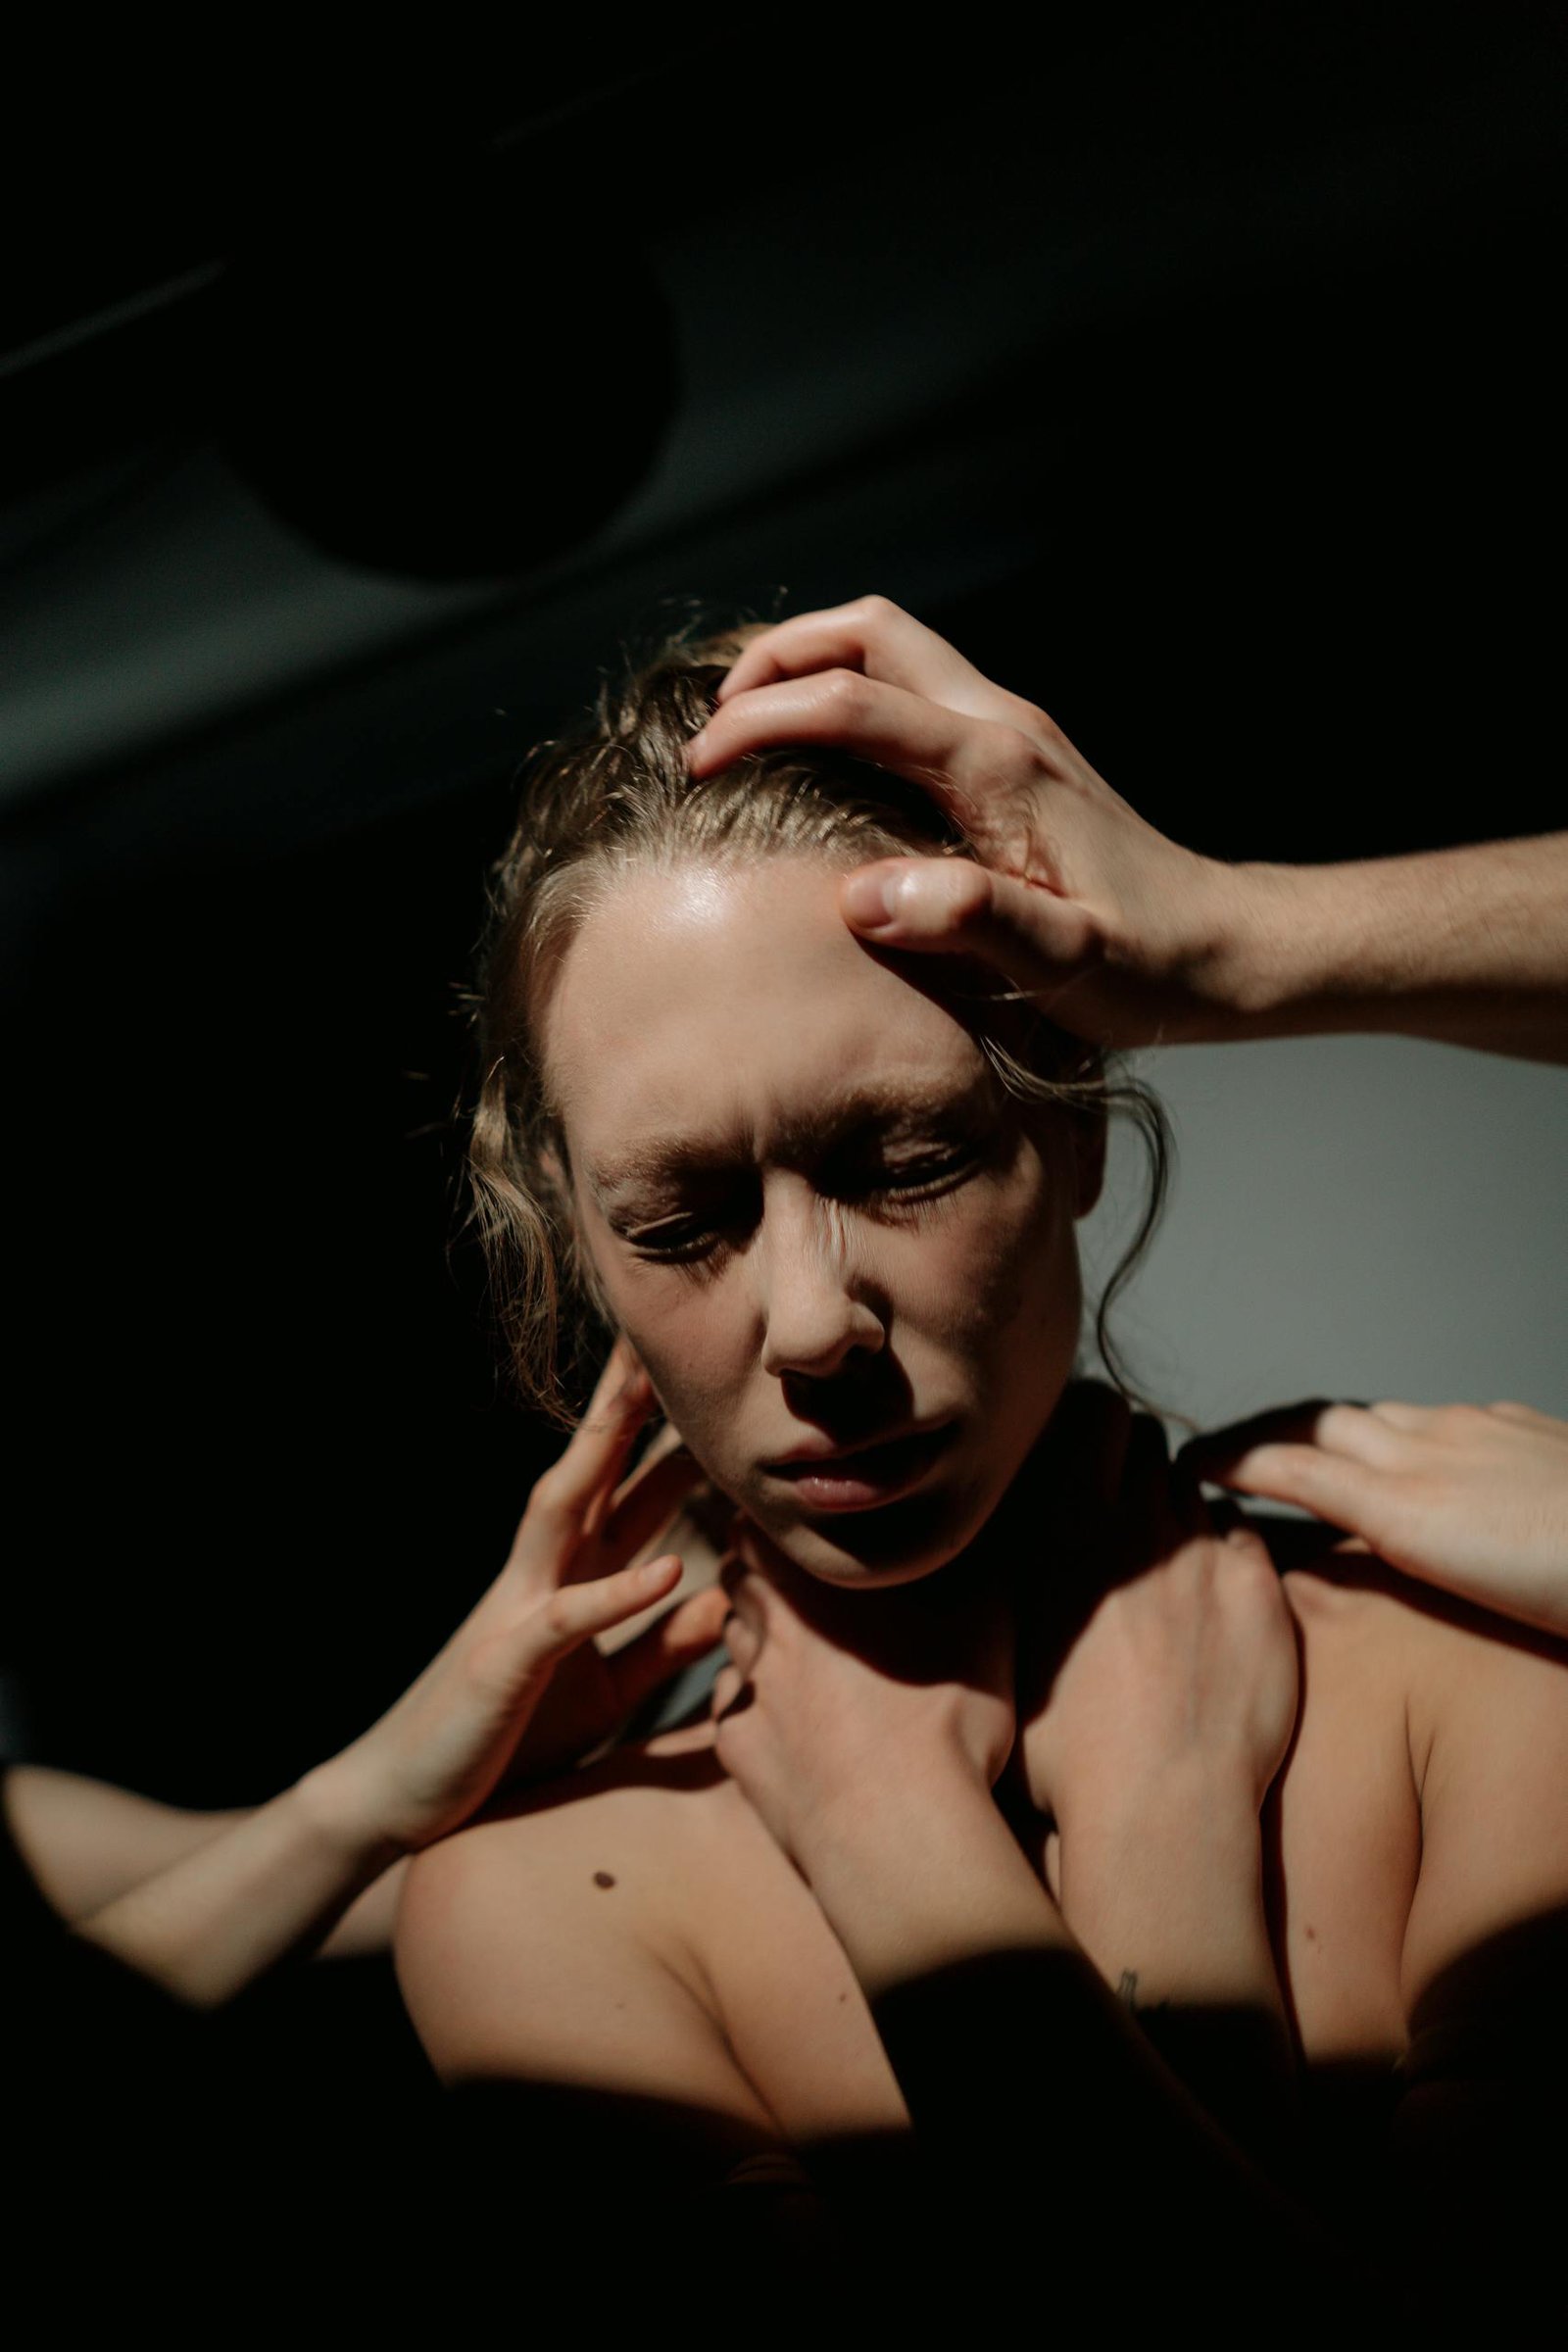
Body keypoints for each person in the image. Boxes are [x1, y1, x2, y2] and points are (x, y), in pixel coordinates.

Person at [392, 605, 1568, 2325]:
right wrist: (951, 1852)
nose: (811, 1329)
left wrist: (989, 1863)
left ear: (1076, 1117)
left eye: (906, 1159)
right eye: (681, 1218)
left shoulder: (1486, 1678)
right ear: (569, 1241)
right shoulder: (540, 1915)